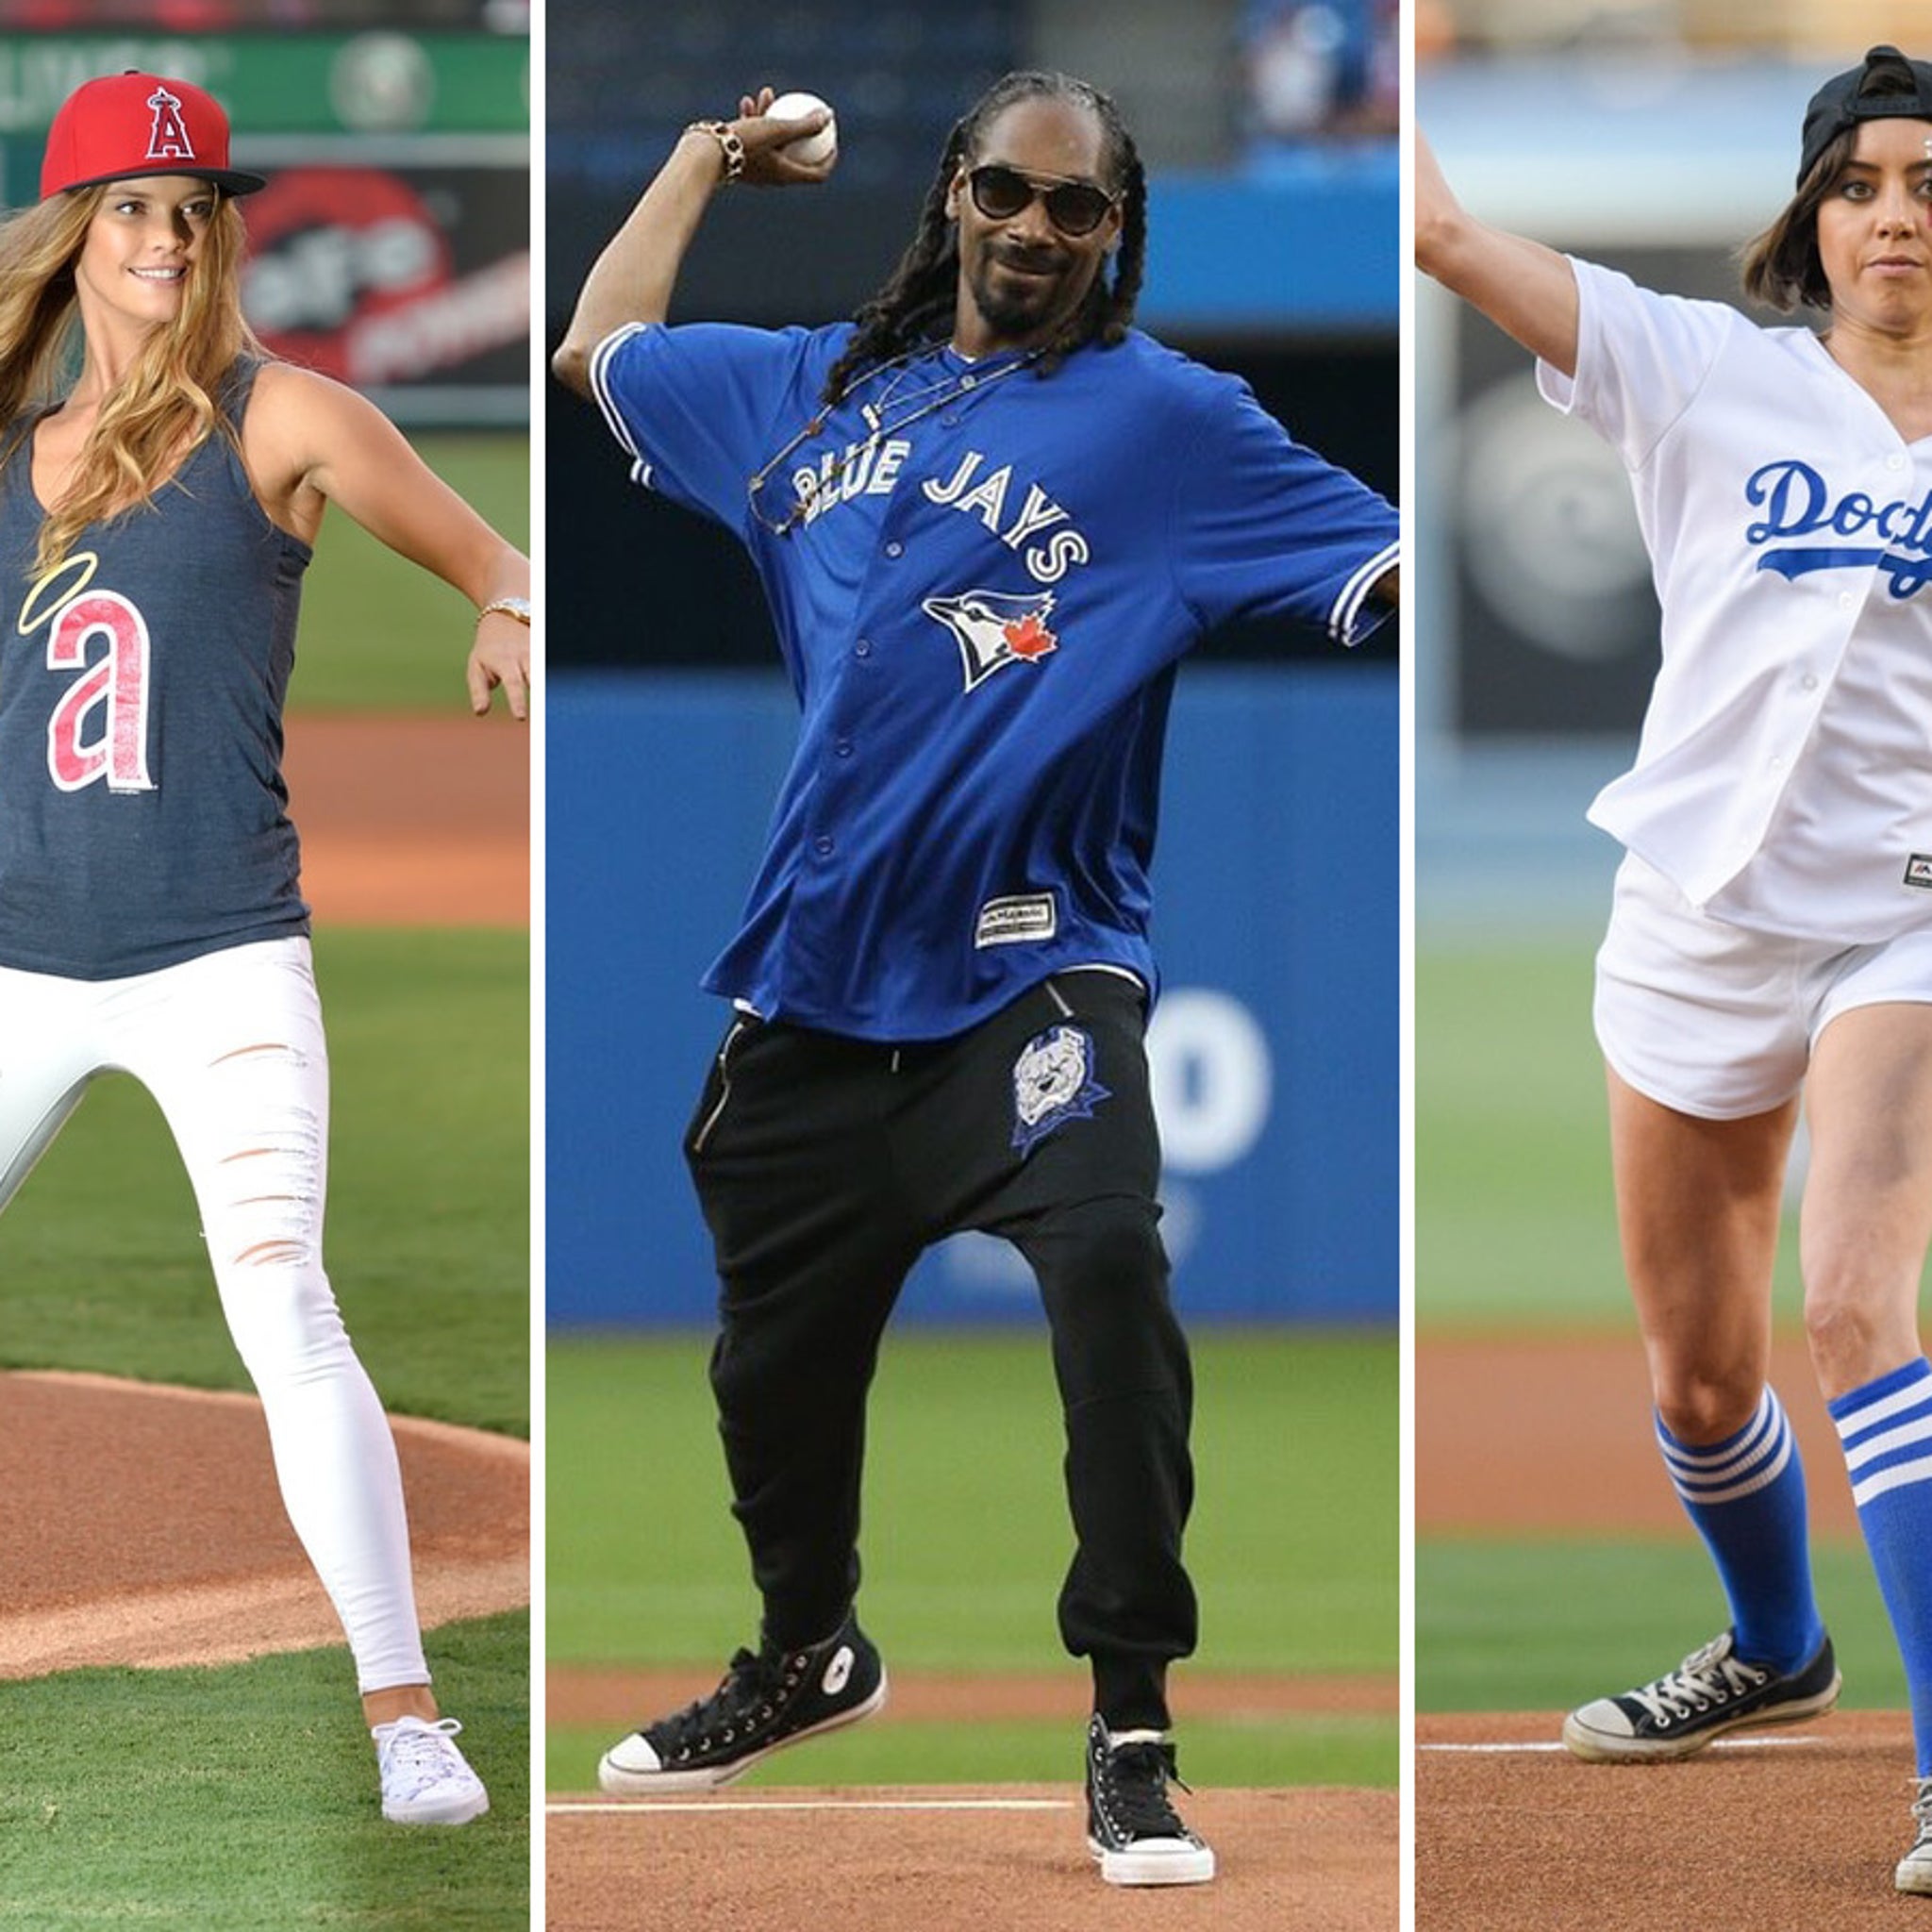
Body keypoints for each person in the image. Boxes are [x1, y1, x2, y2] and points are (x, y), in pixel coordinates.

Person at [553, 69, 1398, 1889]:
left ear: (1116, 236)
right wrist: (705, 155)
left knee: (1106, 1269)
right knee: (769, 1370)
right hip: (814, 975)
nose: (1033, 229)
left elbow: (1385, 565)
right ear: (954, 190)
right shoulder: (803, 391)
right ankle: (807, 1652)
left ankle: (1134, 1730)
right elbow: (601, 342)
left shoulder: (1170, 422)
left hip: (1038, 966)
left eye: (1074, 209)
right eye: (1008, 192)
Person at [1417, 43, 1932, 1895]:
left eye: (1928, 181)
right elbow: (1437, 229)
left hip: (1908, 914)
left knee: (1858, 1303)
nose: (1895, 211)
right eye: (1862, 179)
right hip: (1697, 915)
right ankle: (1773, 1647)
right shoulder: (1699, 368)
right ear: (1809, 213)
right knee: (1700, 1379)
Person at [0, 72, 531, 1824]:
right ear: (75, 236)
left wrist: (506, 613)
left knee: (282, 1299)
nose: (167, 233)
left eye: (191, 206)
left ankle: (405, 1719)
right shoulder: (14, 445)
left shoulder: (277, 416)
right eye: (135, 206)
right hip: (15, 963)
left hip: (217, 953)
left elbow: (494, 556)